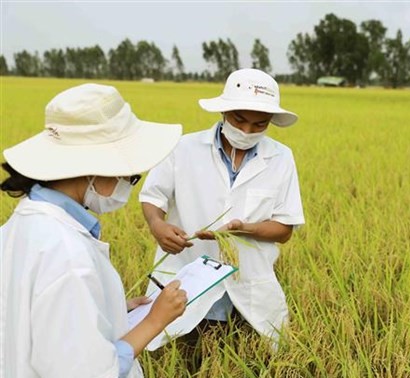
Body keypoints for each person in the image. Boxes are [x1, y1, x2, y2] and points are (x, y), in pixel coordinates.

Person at [0, 83, 187, 378]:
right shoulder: (68, 255)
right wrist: (154, 321)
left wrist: (111, 310)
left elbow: (40, 315)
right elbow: (88, 371)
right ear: (94, 168)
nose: (128, 184)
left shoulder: (22, 223)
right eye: (130, 176)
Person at [139, 68, 305, 346]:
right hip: (187, 282)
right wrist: (157, 225)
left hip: (248, 292)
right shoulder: (183, 148)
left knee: (250, 357)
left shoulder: (280, 158)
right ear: (224, 112)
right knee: (180, 356)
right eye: (239, 120)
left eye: (259, 125)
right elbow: (153, 197)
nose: (246, 131)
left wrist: (245, 229)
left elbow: (284, 229)